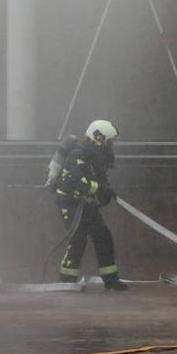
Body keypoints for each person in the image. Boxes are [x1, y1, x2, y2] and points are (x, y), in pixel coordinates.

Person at [52, 119, 128, 291]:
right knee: (78, 238)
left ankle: (110, 279)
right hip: (70, 203)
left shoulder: (97, 159)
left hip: (86, 203)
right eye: (109, 141)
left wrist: (106, 192)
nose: (111, 146)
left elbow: (99, 184)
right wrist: (100, 189)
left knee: (103, 237)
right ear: (99, 139)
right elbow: (80, 182)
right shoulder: (78, 155)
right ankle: (66, 281)